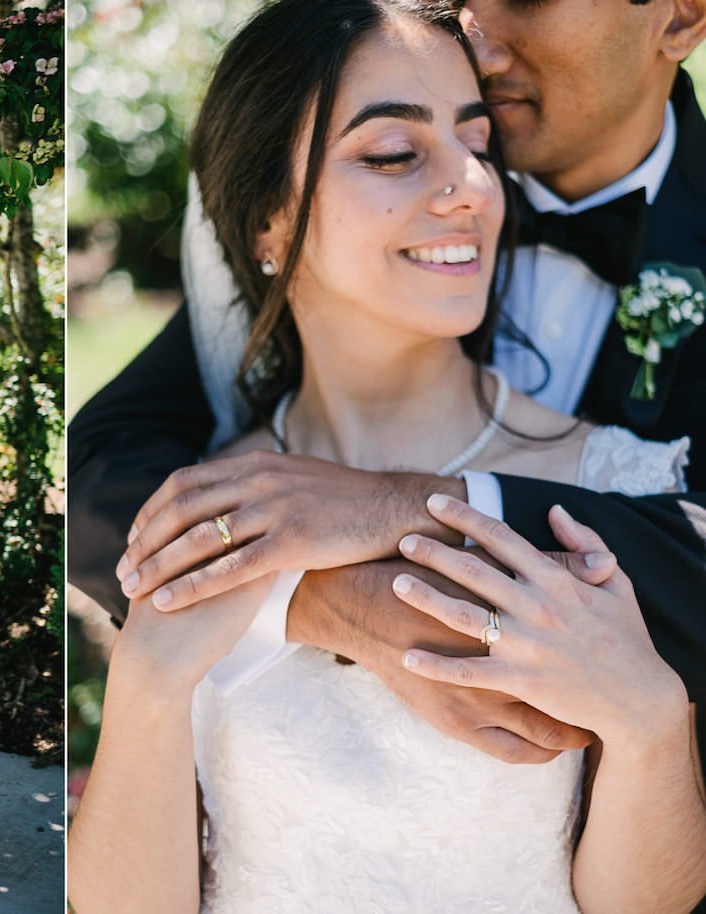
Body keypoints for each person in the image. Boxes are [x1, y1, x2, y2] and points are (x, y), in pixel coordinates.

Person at [68, 2, 706, 911]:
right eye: (392, 155)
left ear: (678, 18)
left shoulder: (613, 481)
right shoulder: (207, 504)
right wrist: (291, 590)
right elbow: (99, 464)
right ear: (268, 229)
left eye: (473, 146)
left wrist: (396, 512)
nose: (474, 189)